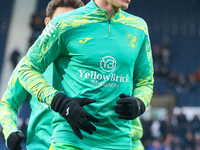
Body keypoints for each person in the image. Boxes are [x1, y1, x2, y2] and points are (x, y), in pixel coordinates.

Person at [17, 0, 154, 149]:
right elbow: (27, 68)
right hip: (70, 141)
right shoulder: (64, 23)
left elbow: (144, 81)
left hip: (119, 142)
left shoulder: (138, 27)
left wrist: (141, 102)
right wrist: (59, 102)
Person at [0, 0, 84, 150]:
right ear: (48, 23)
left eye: (73, 21)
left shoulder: (95, 64)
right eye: (60, 21)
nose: (65, 28)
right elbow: (8, 103)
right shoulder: (30, 66)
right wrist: (10, 131)